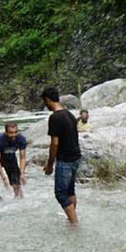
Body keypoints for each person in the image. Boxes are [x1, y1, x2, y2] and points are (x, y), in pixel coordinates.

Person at [42, 86, 81, 223]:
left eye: (45, 102)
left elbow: (55, 144)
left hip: (65, 160)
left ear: (47, 100)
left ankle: (74, 223)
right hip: (75, 157)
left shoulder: (55, 117)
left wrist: (49, 165)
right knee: (70, 191)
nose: (45, 105)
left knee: (60, 194)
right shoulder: (69, 114)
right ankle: (71, 218)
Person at [0, 122, 27, 198]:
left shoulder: (21, 139)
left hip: (11, 159)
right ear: (6, 132)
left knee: (16, 184)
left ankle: (18, 200)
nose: (13, 135)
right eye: (11, 133)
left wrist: (22, 173)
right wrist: (4, 177)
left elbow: (23, 157)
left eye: (15, 132)